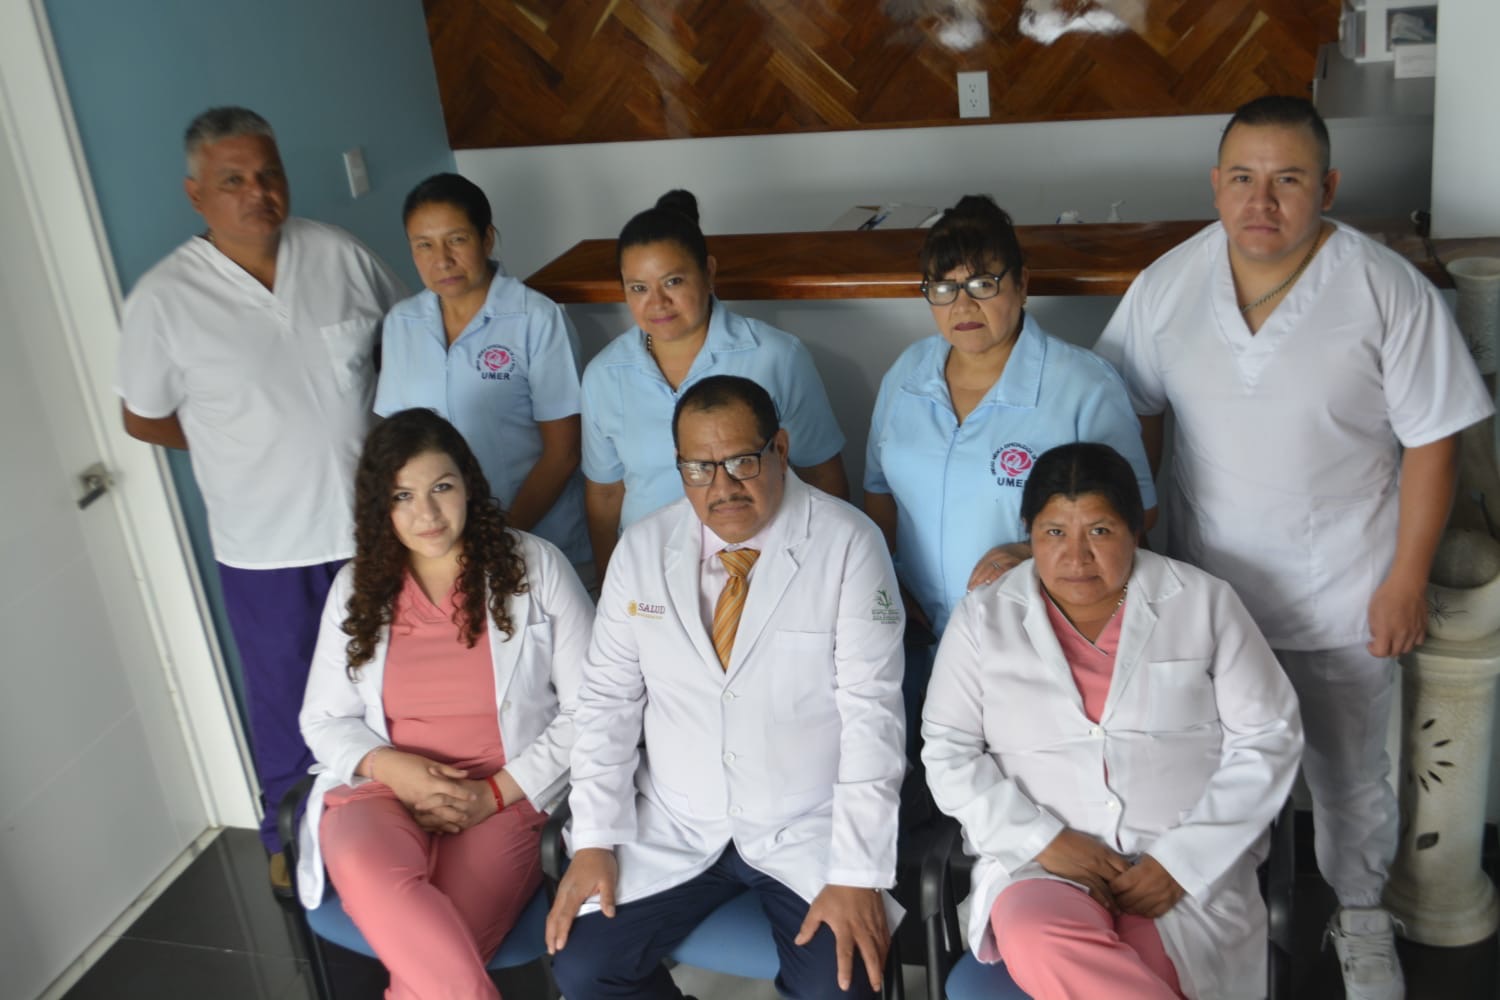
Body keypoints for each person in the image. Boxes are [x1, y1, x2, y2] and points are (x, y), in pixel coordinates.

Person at [1094, 95, 1494, 1000]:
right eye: (1242, 177)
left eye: (1288, 179)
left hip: (1342, 587)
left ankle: (1361, 914)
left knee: (1350, 775)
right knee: (1204, 770)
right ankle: (1223, 923)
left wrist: (1407, 578)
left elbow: (1435, 441)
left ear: (1329, 187)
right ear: (1216, 184)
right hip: (1205, 595)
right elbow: (1131, 420)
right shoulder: (1168, 285)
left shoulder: (1384, 288)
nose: (1261, 201)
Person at [115, 106, 404, 888]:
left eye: (268, 174)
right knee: (285, 697)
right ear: (196, 193)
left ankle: (400, 825)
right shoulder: (165, 299)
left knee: (396, 680)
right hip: (266, 547)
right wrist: (229, 442)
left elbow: (405, 343)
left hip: (376, 529)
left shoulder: (339, 255)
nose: (257, 193)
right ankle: (291, 839)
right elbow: (142, 415)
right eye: (233, 180)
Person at [547, 375, 906, 1000]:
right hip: (675, 821)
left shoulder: (847, 542)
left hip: (807, 824)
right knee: (584, 967)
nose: (723, 488)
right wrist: (596, 838)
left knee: (841, 984)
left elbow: (873, 714)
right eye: (699, 468)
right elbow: (606, 703)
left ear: (780, 449)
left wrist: (855, 872)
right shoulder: (642, 548)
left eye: (742, 461)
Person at [923, 442, 1303, 1000]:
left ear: (1135, 529)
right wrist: (1043, 840)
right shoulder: (984, 618)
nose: (1076, 557)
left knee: (1137, 972)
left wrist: (1180, 861)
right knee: (1038, 937)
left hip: (1178, 874)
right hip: (1041, 867)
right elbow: (948, 751)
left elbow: (1269, 738)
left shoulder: (1204, 603)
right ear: (1028, 532)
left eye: (1099, 531)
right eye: (1055, 532)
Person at [297, 408, 592, 1000]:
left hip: (505, 798)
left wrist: (493, 794)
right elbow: (323, 718)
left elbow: (593, 710)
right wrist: (392, 768)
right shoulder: (358, 587)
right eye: (402, 496)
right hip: (384, 790)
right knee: (367, 871)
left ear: (469, 485)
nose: (426, 514)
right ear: (381, 507)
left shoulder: (536, 567)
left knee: (435, 966)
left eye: (441, 488)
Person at [864, 195, 1155, 754]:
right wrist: (888, 582)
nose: (962, 304)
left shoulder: (1081, 384)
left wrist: (1029, 554)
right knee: (931, 772)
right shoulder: (907, 374)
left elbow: (1136, 518)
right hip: (918, 635)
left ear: (1022, 285)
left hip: (1037, 632)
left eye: (982, 284)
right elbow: (879, 492)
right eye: (943, 287)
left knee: (1027, 775)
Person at [581, 189, 849, 575]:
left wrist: (824, 574)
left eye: (673, 281)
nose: (657, 303)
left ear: (708, 272)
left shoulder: (775, 356)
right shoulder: (604, 374)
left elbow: (822, 477)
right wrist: (614, 587)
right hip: (651, 571)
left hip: (766, 566)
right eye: (638, 287)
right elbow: (606, 496)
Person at [375, 173, 588, 566]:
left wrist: (501, 538)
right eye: (424, 245)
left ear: (486, 239)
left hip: (535, 538)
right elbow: (398, 446)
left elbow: (564, 452)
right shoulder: (401, 324)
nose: (442, 260)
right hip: (443, 547)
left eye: (456, 240)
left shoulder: (535, 318)